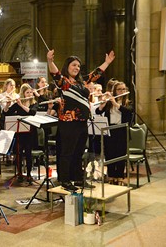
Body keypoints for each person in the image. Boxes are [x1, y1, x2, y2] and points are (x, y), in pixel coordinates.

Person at [47, 49, 115, 191]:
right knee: (67, 152)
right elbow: (55, 73)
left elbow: (96, 74)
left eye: (78, 66)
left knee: (79, 152)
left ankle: (78, 179)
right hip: (68, 123)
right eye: (74, 65)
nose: (77, 68)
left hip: (82, 122)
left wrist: (107, 62)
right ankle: (65, 180)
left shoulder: (82, 82)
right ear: (67, 66)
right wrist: (50, 61)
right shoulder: (63, 82)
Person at [96, 81, 133, 184]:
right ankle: (111, 176)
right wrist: (102, 105)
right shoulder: (109, 103)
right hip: (110, 130)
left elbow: (128, 112)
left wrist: (115, 103)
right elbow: (98, 112)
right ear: (115, 91)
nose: (122, 91)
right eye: (119, 89)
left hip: (122, 131)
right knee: (110, 154)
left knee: (120, 155)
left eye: (123, 89)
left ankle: (120, 176)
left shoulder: (128, 103)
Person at [2, 83, 39, 184]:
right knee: (18, 153)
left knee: (28, 154)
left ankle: (29, 174)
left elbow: (32, 112)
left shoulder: (34, 103)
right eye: (27, 92)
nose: (30, 94)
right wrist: (7, 105)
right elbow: (6, 113)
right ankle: (19, 174)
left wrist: (21, 105)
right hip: (20, 133)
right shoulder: (17, 103)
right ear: (23, 93)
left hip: (30, 132)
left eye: (31, 92)